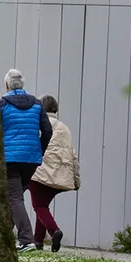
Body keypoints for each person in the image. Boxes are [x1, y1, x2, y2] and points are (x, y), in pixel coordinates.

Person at [0, 68, 52, 253]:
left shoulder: (2, 104)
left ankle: (26, 240)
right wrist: (38, 150)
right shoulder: (37, 104)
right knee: (14, 198)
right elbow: (47, 132)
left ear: (7, 85)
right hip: (31, 160)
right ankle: (3, 237)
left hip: (10, 158)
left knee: (14, 198)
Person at [29, 95, 80, 252]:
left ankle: (54, 231)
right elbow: (73, 155)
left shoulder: (38, 125)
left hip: (40, 173)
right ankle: (38, 241)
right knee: (43, 205)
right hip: (60, 176)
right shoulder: (65, 128)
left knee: (38, 205)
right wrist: (76, 178)